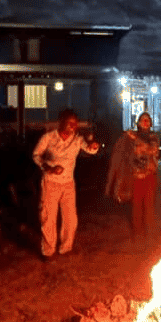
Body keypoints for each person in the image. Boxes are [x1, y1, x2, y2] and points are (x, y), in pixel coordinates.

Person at [31, 109, 100, 259]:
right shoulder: (48, 138)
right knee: (48, 217)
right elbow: (36, 155)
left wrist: (94, 146)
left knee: (71, 219)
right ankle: (48, 251)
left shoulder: (77, 139)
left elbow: (90, 149)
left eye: (75, 124)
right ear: (62, 122)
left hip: (68, 183)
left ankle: (66, 248)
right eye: (70, 123)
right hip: (50, 182)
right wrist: (47, 167)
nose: (73, 126)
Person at [124, 112, 161, 240]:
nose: (145, 122)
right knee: (136, 205)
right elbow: (128, 154)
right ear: (139, 123)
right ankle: (137, 233)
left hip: (150, 175)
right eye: (142, 120)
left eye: (147, 120)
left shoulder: (153, 136)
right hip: (136, 176)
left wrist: (137, 141)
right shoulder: (132, 137)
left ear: (150, 123)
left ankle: (149, 232)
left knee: (149, 205)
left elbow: (153, 149)